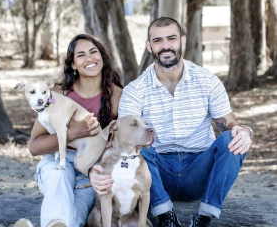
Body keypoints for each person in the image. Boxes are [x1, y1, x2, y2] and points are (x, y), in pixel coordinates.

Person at [89, 17, 253, 227]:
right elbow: (123, 138)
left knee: (234, 138)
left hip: (198, 171)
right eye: (157, 41)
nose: (165, 46)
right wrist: (97, 168)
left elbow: (229, 124)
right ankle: (165, 216)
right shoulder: (135, 90)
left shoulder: (207, 81)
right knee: (139, 144)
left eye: (171, 38)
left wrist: (244, 131)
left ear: (182, 41)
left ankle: (204, 217)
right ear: (149, 46)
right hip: (155, 174)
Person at [14, 34, 123, 227]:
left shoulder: (117, 95)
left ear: (102, 58)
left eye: (93, 52)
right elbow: (34, 146)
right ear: (73, 64)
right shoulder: (57, 94)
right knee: (59, 175)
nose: (89, 59)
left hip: (92, 170)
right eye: (80, 55)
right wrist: (71, 133)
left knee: (72, 217)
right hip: (56, 163)